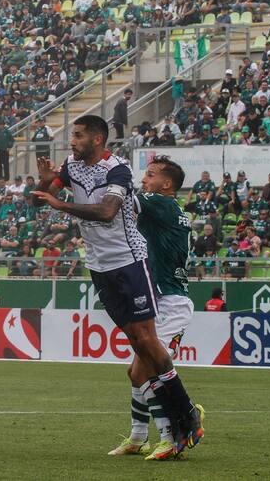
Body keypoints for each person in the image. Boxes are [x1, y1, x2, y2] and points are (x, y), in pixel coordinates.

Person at [31, 115, 203, 457]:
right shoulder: (75, 166)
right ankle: (141, 435)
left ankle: (180, 425)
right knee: (138, 364)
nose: (144, 179)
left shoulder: (148, 194)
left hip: (151, 282)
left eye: (79, 135)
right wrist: (48, 181)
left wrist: (61, 200)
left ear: (97, 139)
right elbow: (41, 196)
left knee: (148, 357)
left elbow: (112, 209)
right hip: (110, 269)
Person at [108, 155, 197, 461]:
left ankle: (173, 434)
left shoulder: (162, 203)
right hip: (161, 298)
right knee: (136, 373)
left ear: (167, 184)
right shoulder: (167, 209)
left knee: (146, 370)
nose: (144, 179)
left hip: (170, 302)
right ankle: (137, 437)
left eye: (150, 175)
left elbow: (122, 200)